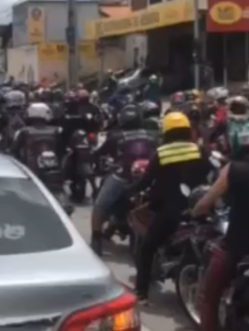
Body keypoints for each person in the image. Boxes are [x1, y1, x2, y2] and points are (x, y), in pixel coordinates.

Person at [126, 111, 211, 305]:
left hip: (170, 211)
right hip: (199, 207)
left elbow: (146, 181)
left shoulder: (162, 153)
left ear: (166, 131)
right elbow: (208, 172)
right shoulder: (198, 150)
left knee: (147, 248)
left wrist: (127, 190)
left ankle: (141, 293)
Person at [192, 124, 249, 331]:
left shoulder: (233, 169)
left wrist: (195, 211)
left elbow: (206, 202)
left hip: (237, 248)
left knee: (209, 296)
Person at [89, 102, 155, 256]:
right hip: (147, 179)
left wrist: (93, 158)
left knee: (100, 205)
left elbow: (99, 152)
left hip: (123, 177)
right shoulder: (151, 135)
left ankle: (96, 240)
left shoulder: (116, 136)